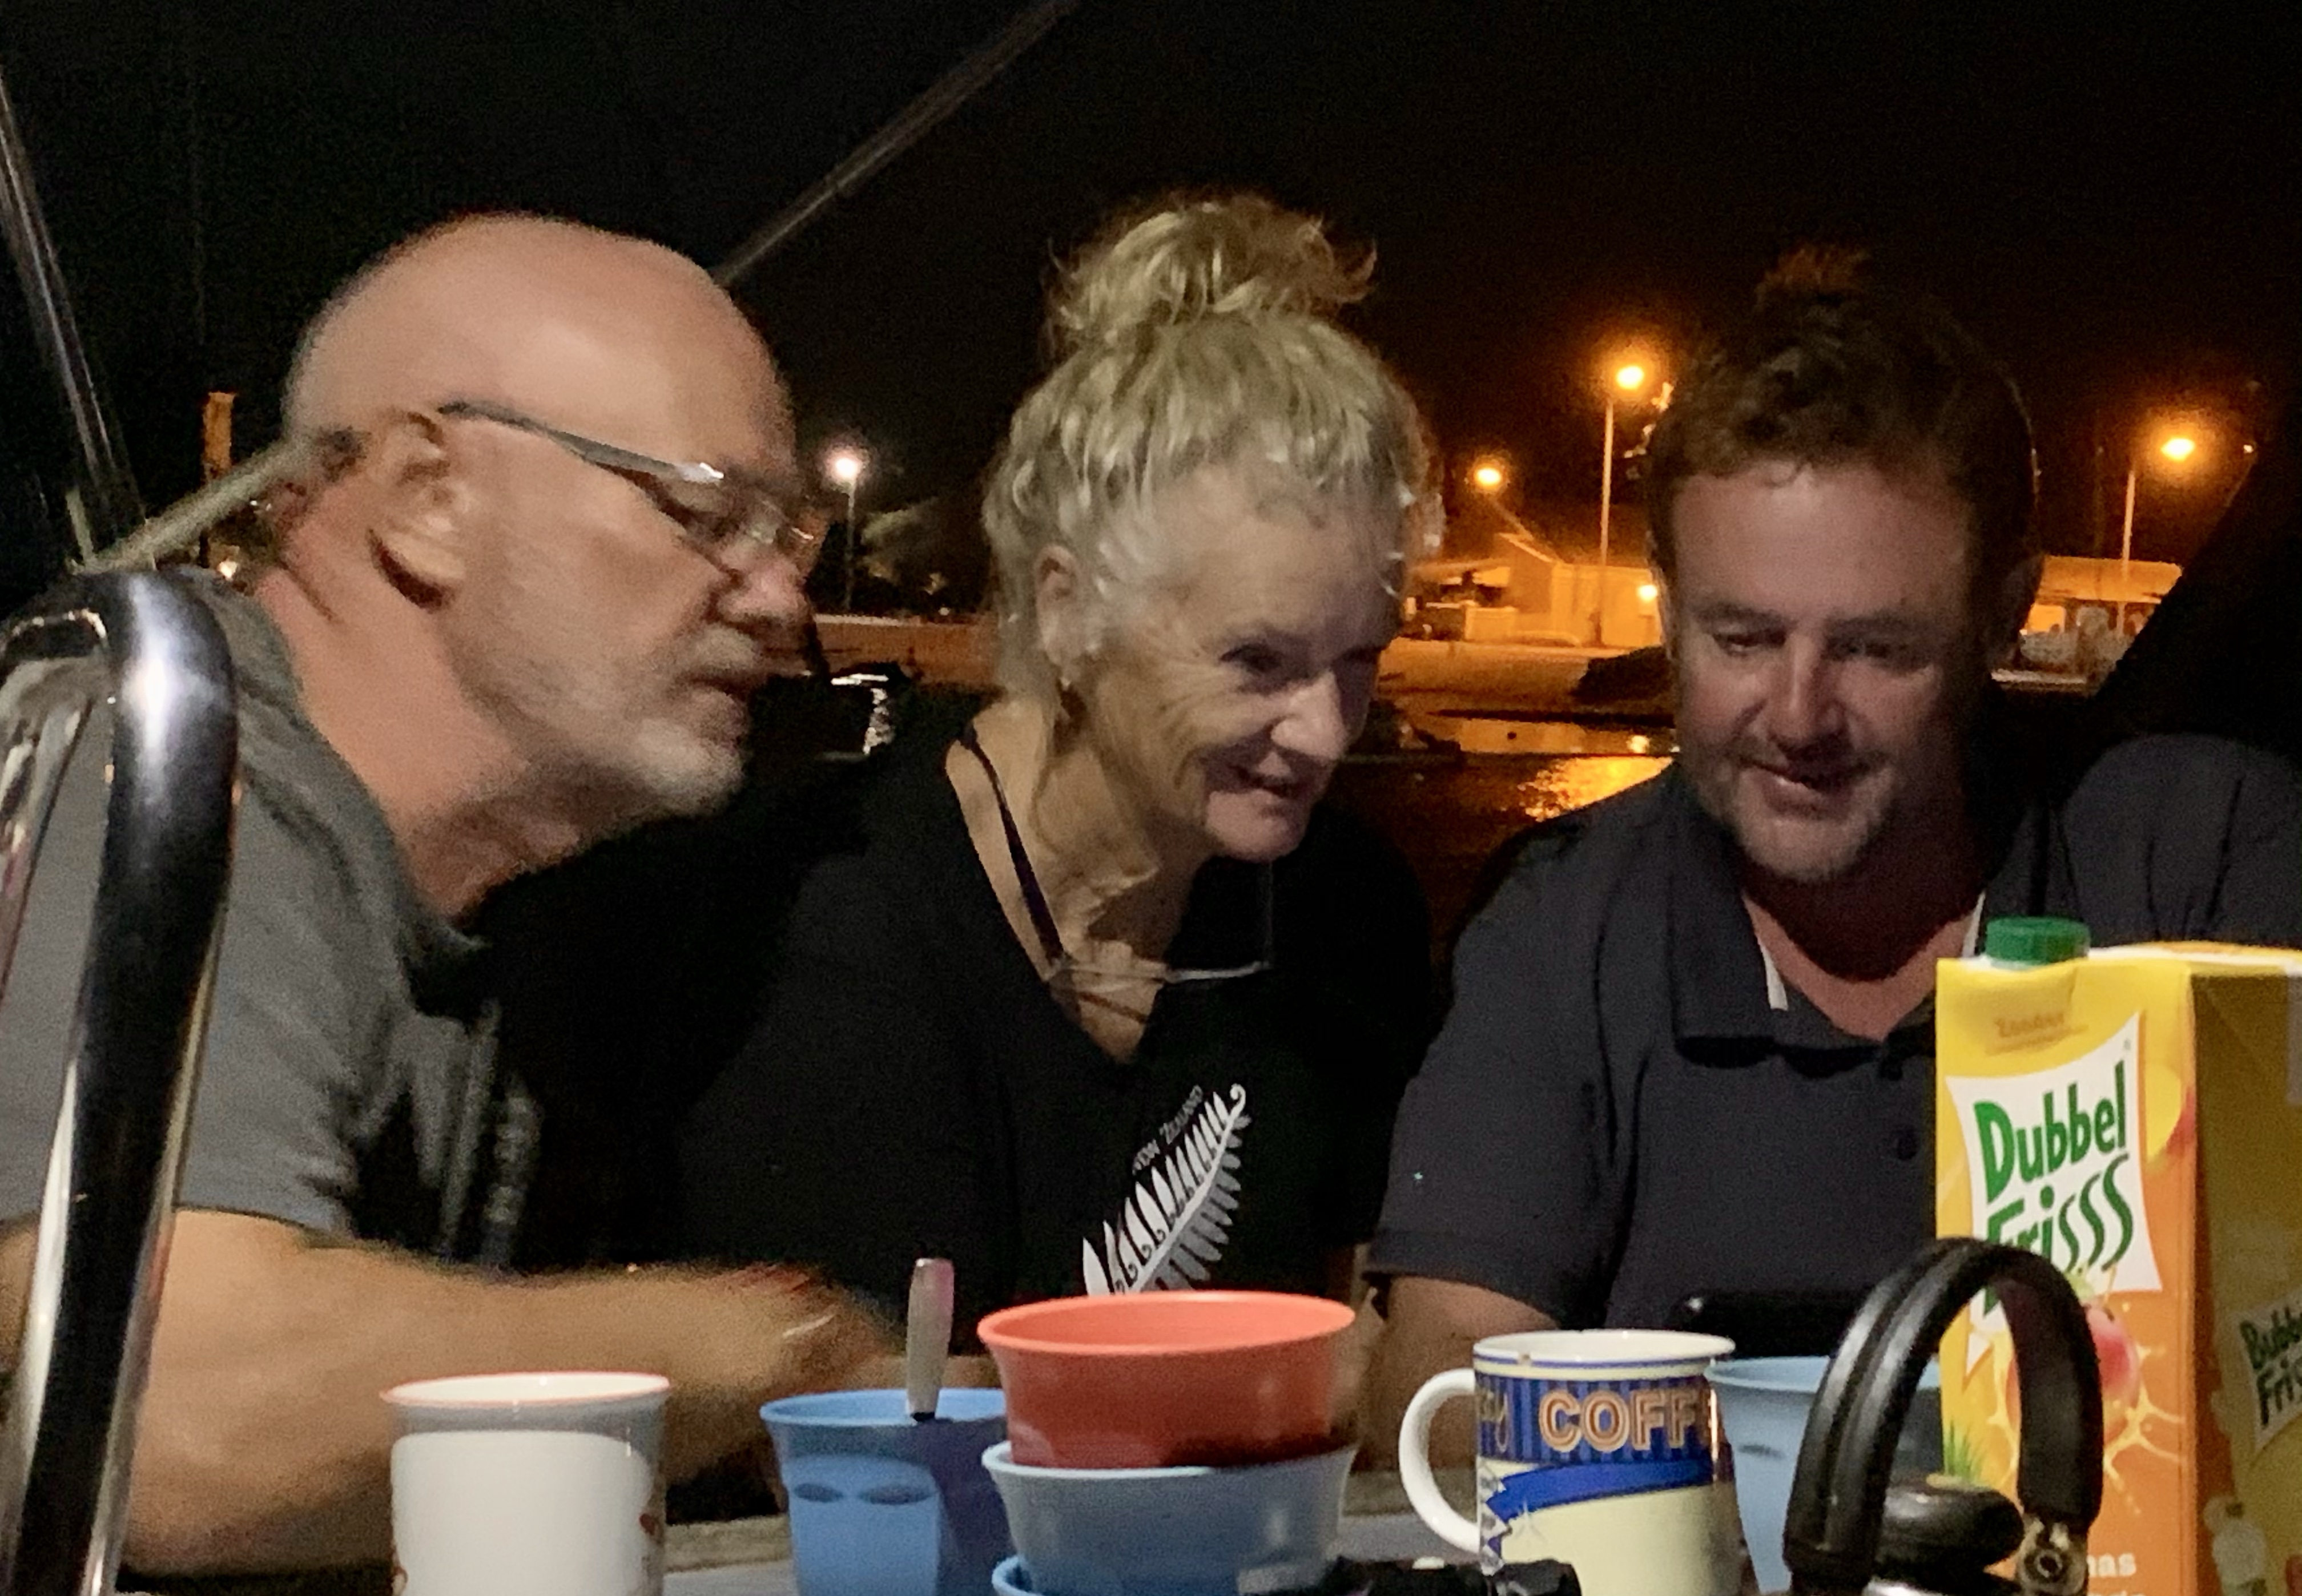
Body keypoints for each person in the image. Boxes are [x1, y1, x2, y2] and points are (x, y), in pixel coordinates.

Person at [0, 215, 893, 1575]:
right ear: (428, 496)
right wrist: (784, 1352)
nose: (783, 603)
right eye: (711, 517)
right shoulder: (144, 764)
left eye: (793, 540)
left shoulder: (530, 898)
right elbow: (166, 1413)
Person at [1363, 256, 2302, 1461]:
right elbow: (1442, 1390)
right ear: (1668, 611)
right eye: (1743, 638)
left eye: (1875, 649)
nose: (1800, 716)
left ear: (2004, 612)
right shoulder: (1562, 926)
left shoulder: (2204, 859)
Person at [673, 195, 1437, 1373]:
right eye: (1258, 662)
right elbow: (869, 1409)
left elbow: (1369, 1348)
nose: (1326, 733)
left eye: (1359, 660)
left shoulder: (1348, 913)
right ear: (1069, 608)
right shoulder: (844, 917)